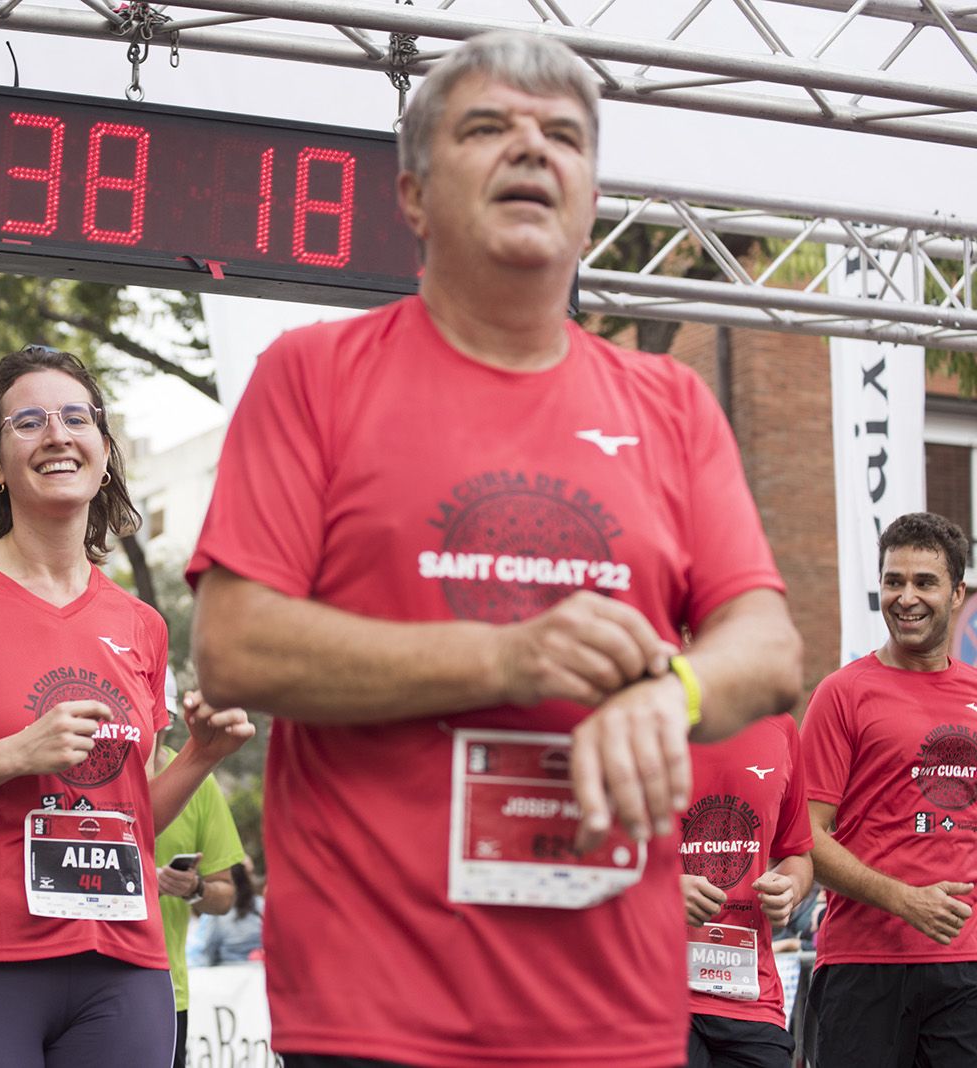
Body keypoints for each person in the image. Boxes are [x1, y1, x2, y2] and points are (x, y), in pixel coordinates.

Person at [186, 30, 803, 1068]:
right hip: (376, 1004)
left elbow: (769, 644)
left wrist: (673, 696)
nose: (531, 150)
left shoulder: (670, 403)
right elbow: (234, 646)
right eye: (487, 128)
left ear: (591, 194)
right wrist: (504, 658)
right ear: (414, 197)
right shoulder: (314, 376)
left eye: (563, 136)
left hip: (615, 1003)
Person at [0, 345, 255, 1067]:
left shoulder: (141, 624)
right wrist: (16, 753)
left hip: (124, 961)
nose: (58, 435)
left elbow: (129, 817)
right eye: (29, 422)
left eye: (77, 418)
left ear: (105, 451)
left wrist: (201, 754)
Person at [801, 512, 977, 1067]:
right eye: (893, 581)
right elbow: (802, 835)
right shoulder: (842, 694)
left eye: (924, 582)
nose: (905, 597)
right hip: (862, 963)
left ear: (957, 594)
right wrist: (904, 900)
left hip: (965, 969)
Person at [679, 714, 813, 1068]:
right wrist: (661, 891)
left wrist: (791, 888)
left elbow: (797, 853)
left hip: (752, 997)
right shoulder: (644, 705)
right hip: (656, 993)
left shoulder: (780, 726)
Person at [150, 669, 246, 1068]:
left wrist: (192, 888)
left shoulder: (197, 784)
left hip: (165, 991)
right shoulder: (90, 773)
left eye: (161, 718)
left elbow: (226, 897)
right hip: (69, 978)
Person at [202, 860, 264, 966]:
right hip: (260, 969)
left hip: (226, 971)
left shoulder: (217, 913)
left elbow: (210, 948)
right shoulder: (262, 905)